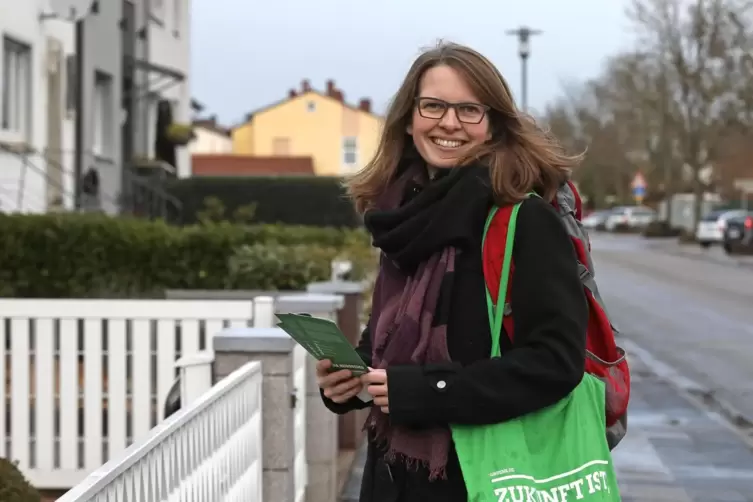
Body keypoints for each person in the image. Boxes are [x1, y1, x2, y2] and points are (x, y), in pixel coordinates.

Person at [316, 41, 589, 502]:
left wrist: (426, 390)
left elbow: (557, 362)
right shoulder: (402, 220)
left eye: (468, 109)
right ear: (409, 117)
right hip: (392, 476)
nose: (448, 122)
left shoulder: (523, 221)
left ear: (492, 126)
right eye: (434, 106)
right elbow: (385, 344)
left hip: (486, 479)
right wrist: (352, 381)